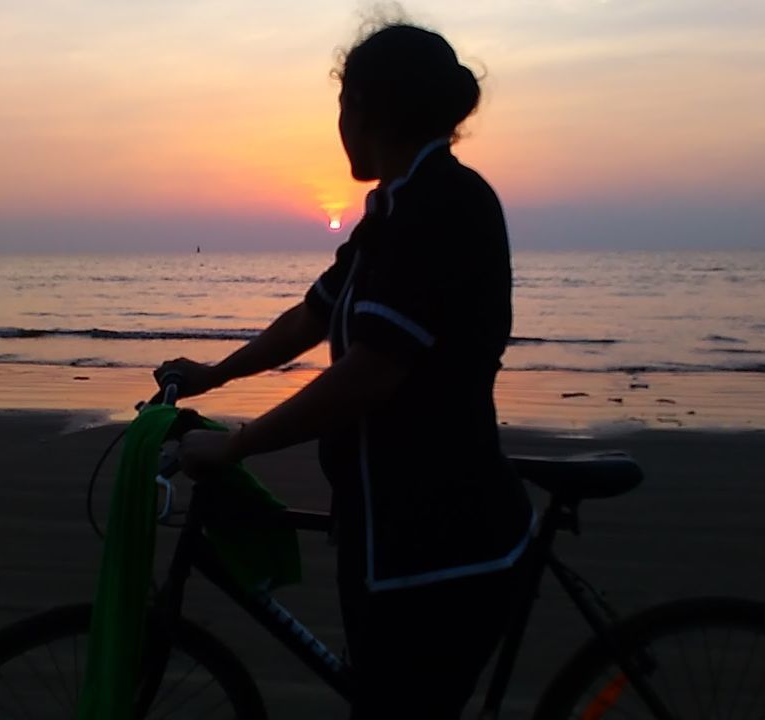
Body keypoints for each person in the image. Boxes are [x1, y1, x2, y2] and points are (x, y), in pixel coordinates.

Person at [155, 21, 532, 719]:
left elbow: (370, 375)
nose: (338, 125)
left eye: (342, 106)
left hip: (439, 543)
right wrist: (215, 374)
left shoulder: (441, 206)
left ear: (367, 107)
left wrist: (237, 444)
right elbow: (313, 316)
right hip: (388, 529)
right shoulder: (392, 212)